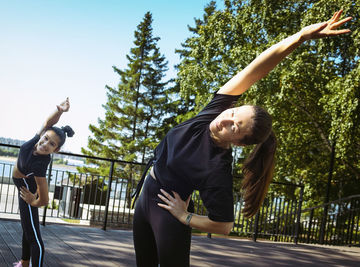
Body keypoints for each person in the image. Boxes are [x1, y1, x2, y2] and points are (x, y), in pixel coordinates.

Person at [132, 10, 352, 267]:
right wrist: (299, 37)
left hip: (167, 213)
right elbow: (254, 69)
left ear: (238, 142)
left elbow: (224, 225)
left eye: (234, 128)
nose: (226, 120)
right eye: (233, 112)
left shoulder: (216, 167)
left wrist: (185, 217)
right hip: (145, 198)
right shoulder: (214, 111)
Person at [12, 97, 74, 267]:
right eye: (46, 138)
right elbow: (48, 122)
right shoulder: (35, 141)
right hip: (23, 184)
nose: (45, 144)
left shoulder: (40, 165)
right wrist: (60, 111)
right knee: (27, 227)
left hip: (26, 188)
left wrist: (33, 200)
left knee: (35, 238)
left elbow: (44, 200)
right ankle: (24, 263)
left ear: (56, 150)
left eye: (51, 144)